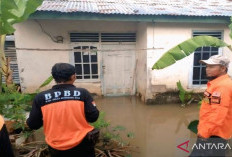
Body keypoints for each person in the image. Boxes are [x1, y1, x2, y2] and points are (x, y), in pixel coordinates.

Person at [26, 63, 99, 157]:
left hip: (56, 147)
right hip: (82, 143)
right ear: (73, 76)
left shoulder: (41, 98)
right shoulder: (82, 93)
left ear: (54, 77)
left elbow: (33, 124)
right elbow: (93, 117)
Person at [190, 55, 232, 157]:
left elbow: (218, 113)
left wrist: (205, 132)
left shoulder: (223, 86)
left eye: (211, 66)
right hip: (212, 131)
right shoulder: (215, 84)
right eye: (207, 66)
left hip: (213, 134)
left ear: (223, 68)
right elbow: (209, 107)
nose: (207, 69)